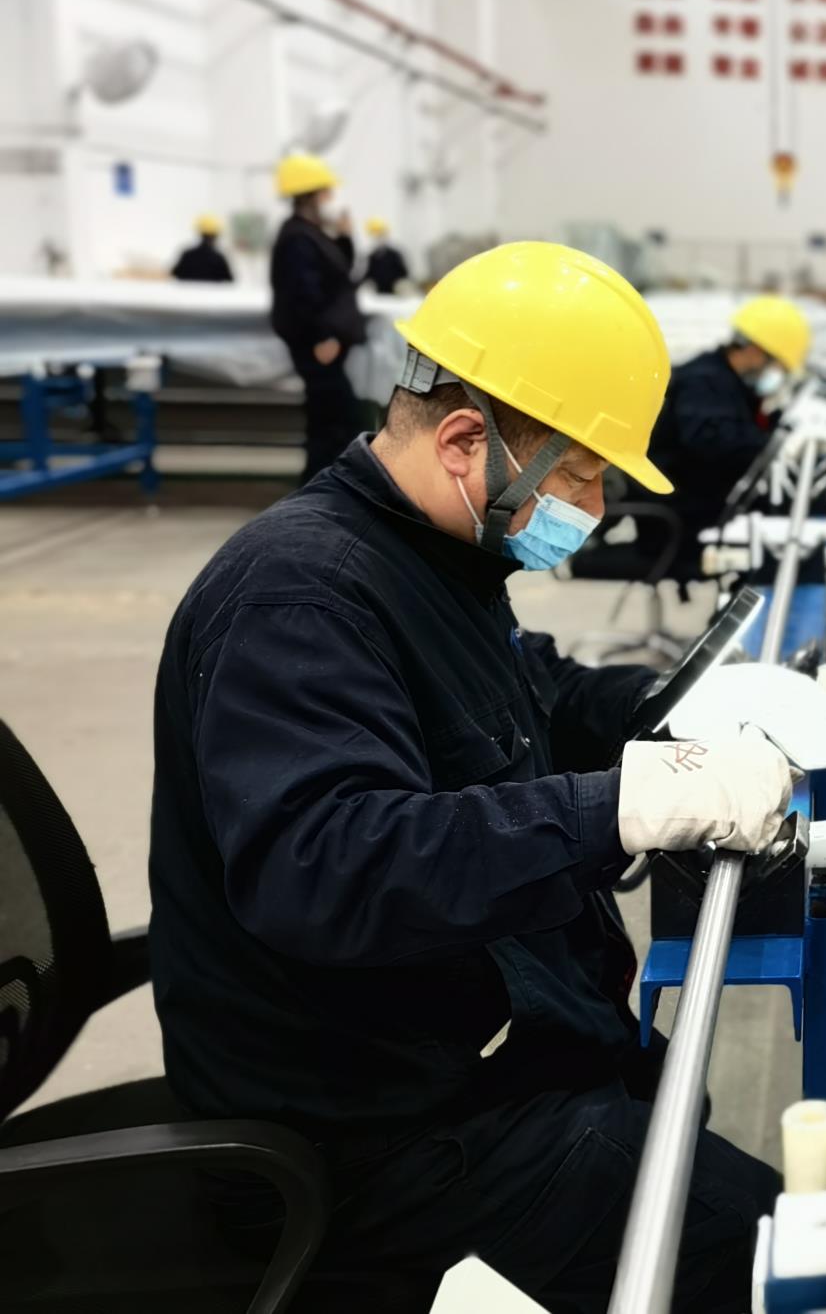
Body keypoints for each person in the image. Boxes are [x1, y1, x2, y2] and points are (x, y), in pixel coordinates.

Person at [149, 242, 791, 1313]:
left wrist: (677, 713)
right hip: (369, 1136)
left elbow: (528, 691)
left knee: (680, 1126)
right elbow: (332, 866)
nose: (593, 508)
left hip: (454, 1051)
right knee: (774, 1251)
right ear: (463, 442)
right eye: (578, 476)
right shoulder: (298, 598)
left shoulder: (428, 556)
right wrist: (623, 805)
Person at [573, 295, 812, 585]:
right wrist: (770, 444)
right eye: (777, 366)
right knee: (782, 551)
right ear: (756, 351)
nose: (776, 375)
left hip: (690, 514)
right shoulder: (702, 383)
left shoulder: (723, 382)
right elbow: (713, 444)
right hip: (675, 527)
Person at [269, 153, 366, 481]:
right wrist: (321, 336)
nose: (330, 198)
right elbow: (302, 294)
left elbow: (338, 274)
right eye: (325, 191)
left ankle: (319, 487)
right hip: (318, 345)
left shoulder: (310, 233)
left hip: (325, 342)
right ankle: (316, 488)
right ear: (311, 195)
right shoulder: (298, 238)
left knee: (332, 421)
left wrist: (345, 237)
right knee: (336, 423)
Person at [171, 213, 234, 282]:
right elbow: (229, 280)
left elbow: (175, 274)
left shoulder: (187, 255)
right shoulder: (219, 258)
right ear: (215, 235)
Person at [364, 216, 413, 294]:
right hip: (379, 291)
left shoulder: (394, 254)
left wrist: (399, 283)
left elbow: (404, 273)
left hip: (395, 289)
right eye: (376, 236)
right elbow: (368, 275)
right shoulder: (371, 257)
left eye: (380, 235)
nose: (378, 239)